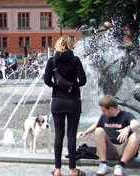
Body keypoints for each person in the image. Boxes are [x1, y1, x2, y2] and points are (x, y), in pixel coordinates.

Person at [44, 36, 87, 176]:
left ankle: (57, 169)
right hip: (73, 100)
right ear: (70, 45)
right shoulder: (75, 60)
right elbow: (83, 80)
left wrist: (56, 85)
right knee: (71, 135)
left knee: (59, 135)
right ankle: (73, 169)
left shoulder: (52, 60)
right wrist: (73, 85)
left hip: (57, 100)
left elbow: (46, 80)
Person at [78, 95, 140, 176]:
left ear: (111, 109)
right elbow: (96, 125)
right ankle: (103, 164)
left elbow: (137, 124)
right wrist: (85, 132)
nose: (102, 112)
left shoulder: (126, 115)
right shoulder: (104, 116)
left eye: (104, 110)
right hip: (109, 150)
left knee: (136, 136)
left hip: (124, 151)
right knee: (99, 130)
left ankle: (120, 165)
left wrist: (127, 129)